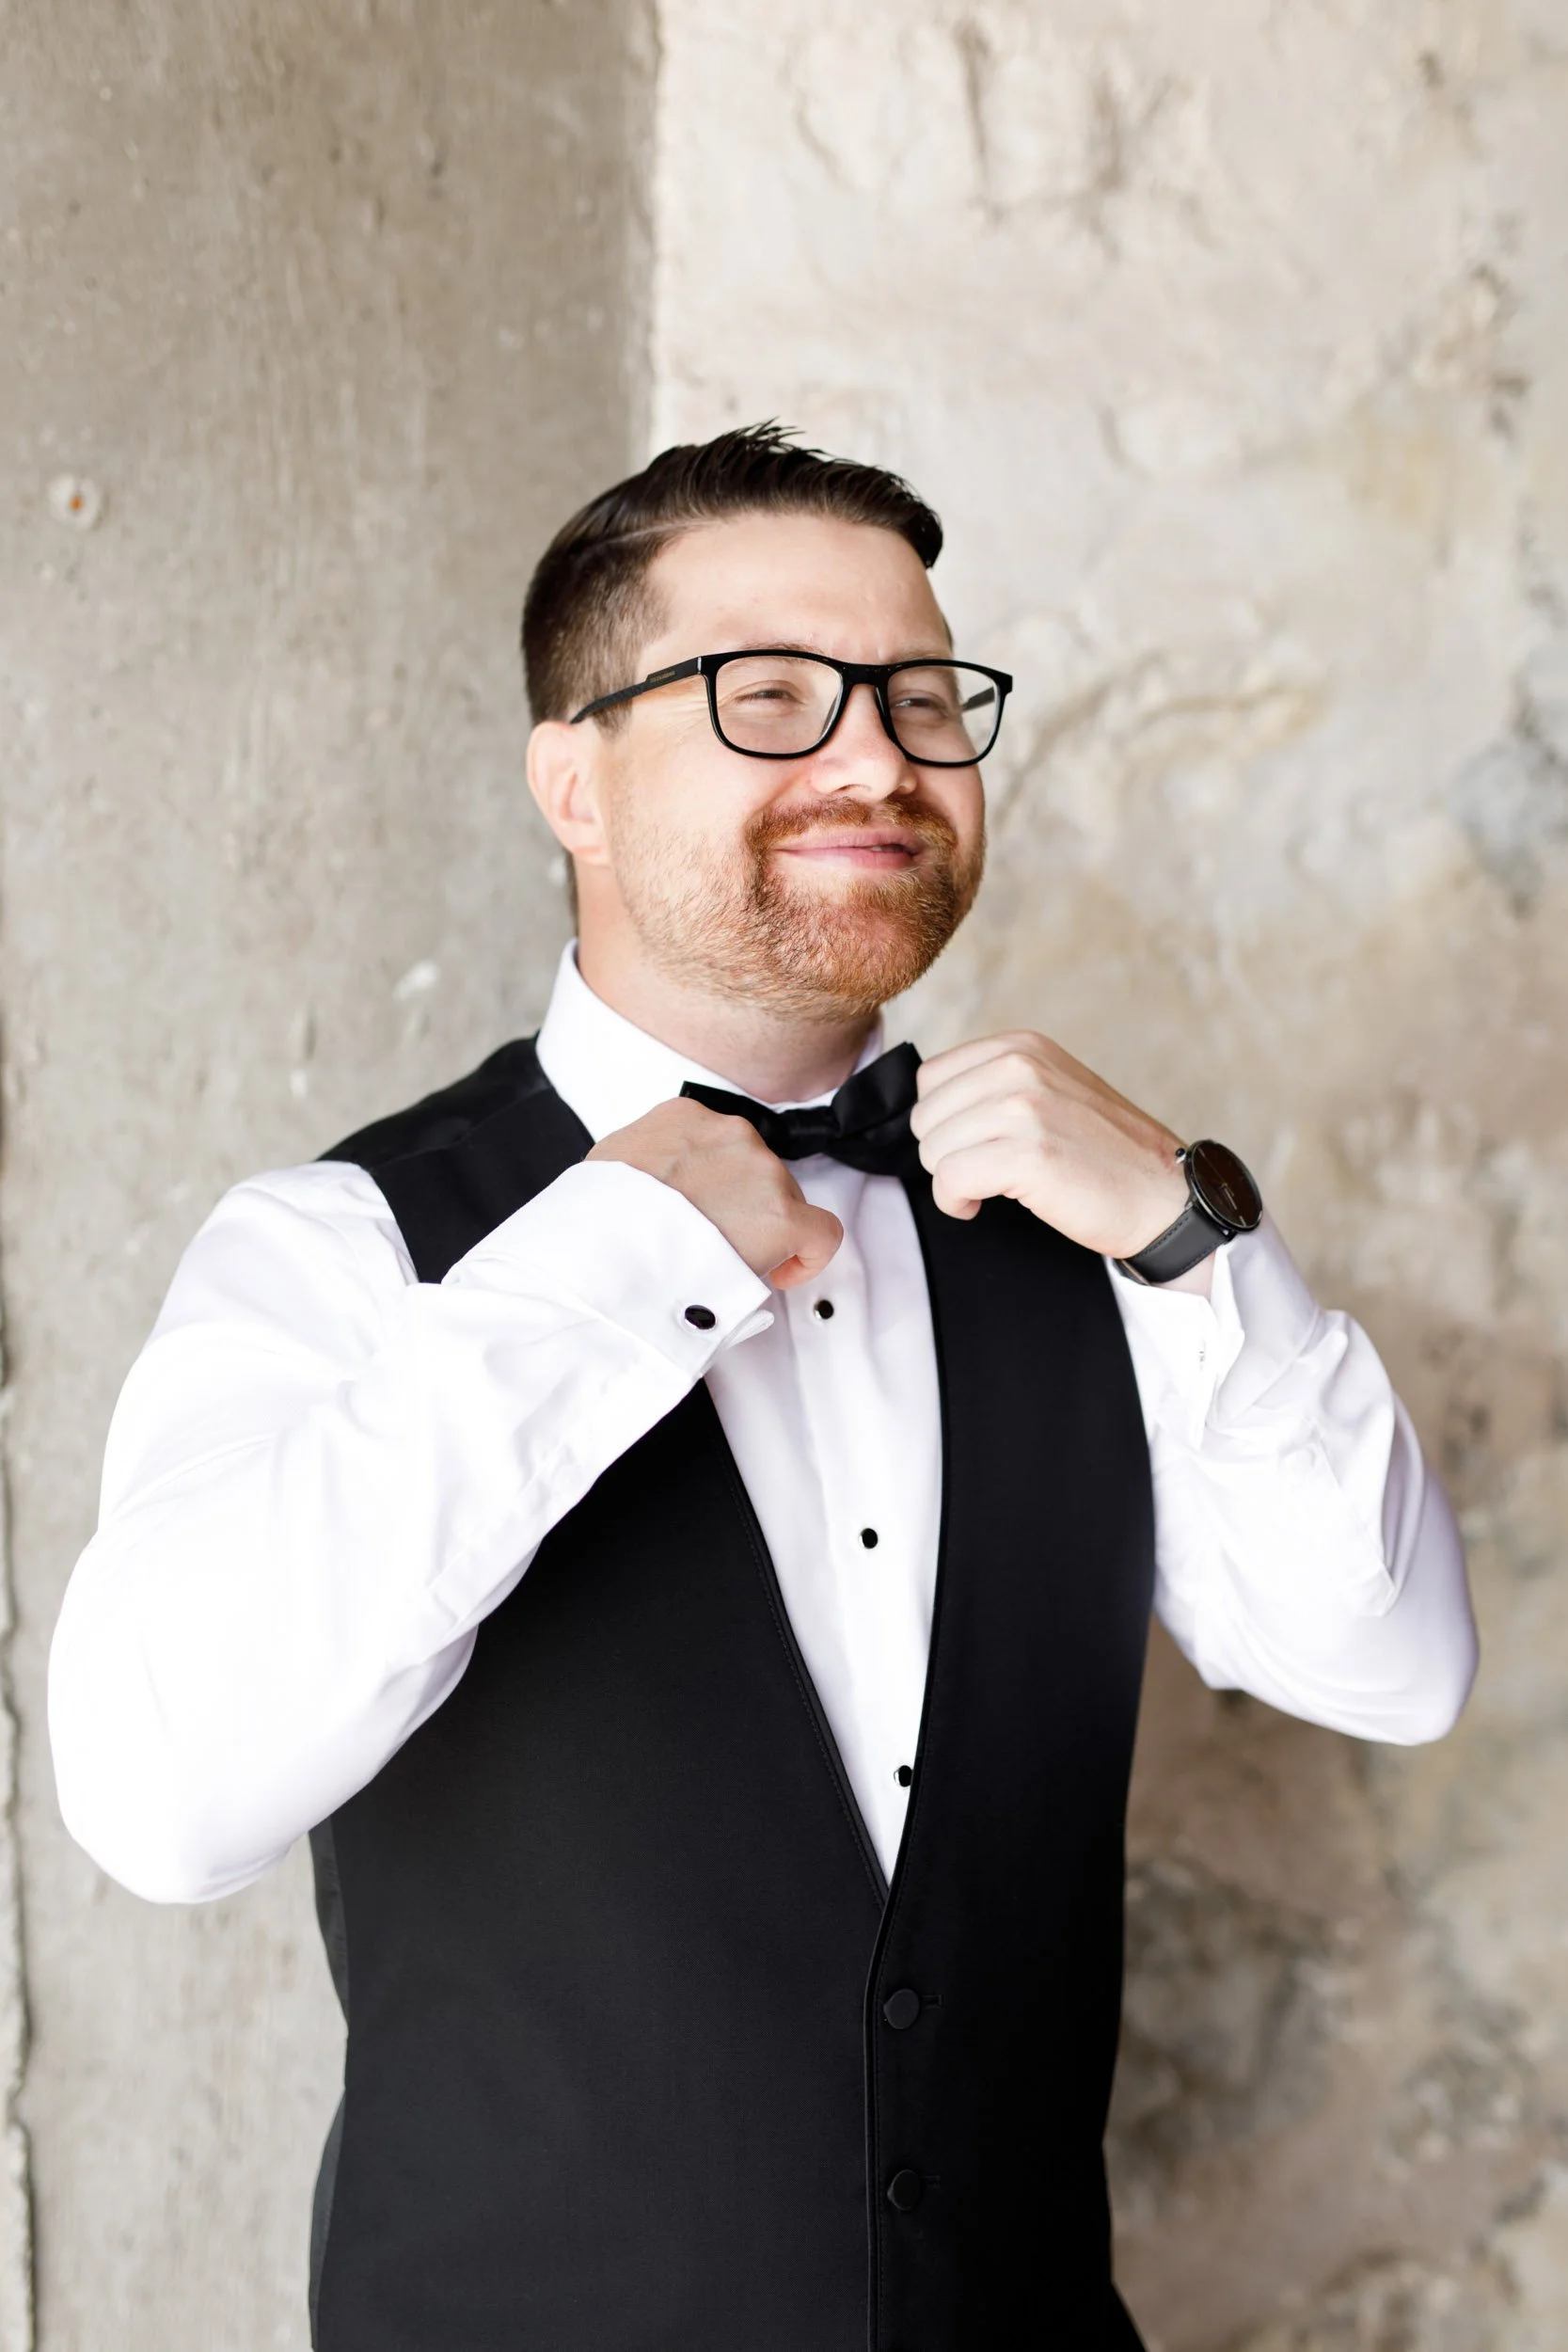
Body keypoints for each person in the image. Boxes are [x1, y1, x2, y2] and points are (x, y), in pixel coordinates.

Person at [49, 425, 1478, 2351]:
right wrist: (610, 1255)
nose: (877, 757)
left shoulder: (1087, 1236)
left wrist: (1184, 1229)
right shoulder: (341, 1246)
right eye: (770, 697)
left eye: (918, 697)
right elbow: (158, 1796)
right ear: (572, 775)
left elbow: (1385, 1661)